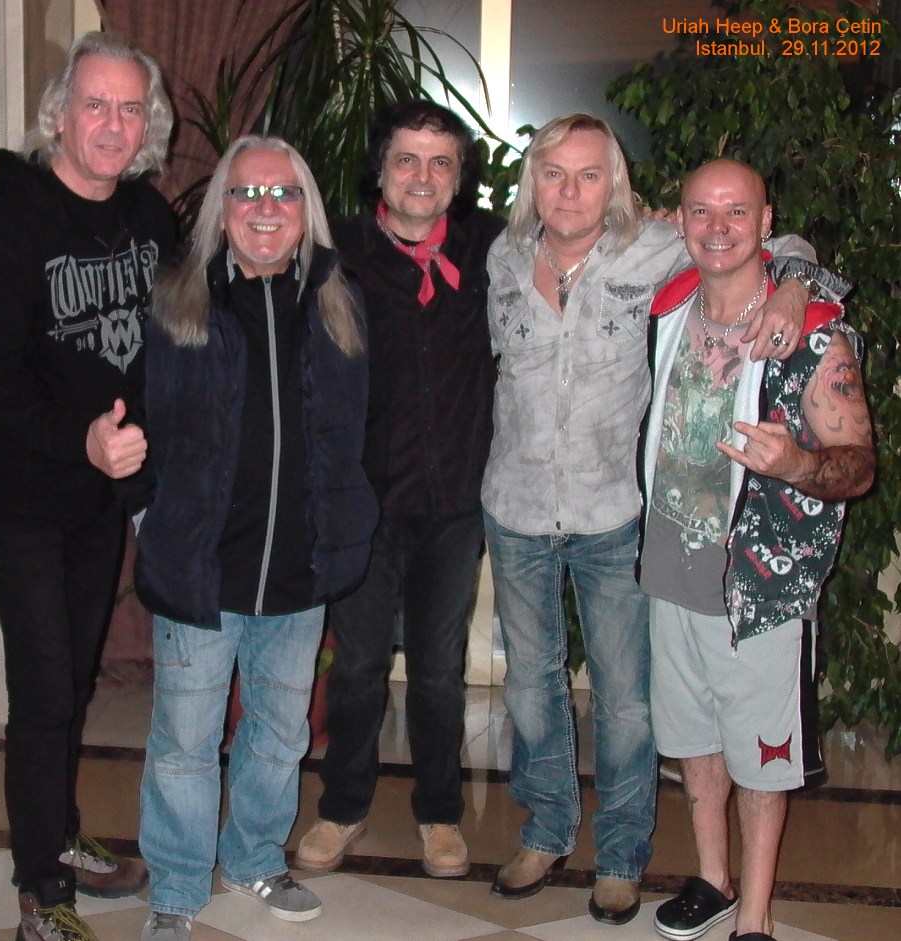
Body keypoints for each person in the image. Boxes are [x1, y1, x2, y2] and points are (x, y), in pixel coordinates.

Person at [483, 114, 842, 925]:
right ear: (532, 180)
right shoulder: (502, 255)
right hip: (514, 506)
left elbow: (761, 244)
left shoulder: (657, 246)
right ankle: (545, 830)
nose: (568, 191)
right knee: (531, 689)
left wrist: (793, 287)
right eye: (552, 173)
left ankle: (619, 856)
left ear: (614, 182)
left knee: (626, 700)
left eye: (588, 174)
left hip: (614, 514)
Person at [0, 31, 177, 941]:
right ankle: (39, 884)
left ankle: (58, 830)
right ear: (59, 113)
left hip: (101, 497)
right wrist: (81, 441)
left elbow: (174, 345)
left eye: (131, 108)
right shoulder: (2, 227)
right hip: (25, 497)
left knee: (74, 678)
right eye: (96, 105)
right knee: (45, 685)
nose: (113, 125)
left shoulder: (150, 217)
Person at [134, 135, 378, 941]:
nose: (264, 208)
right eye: (246, 193)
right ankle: (176, 886)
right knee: (185, 741)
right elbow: (138, 419)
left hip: (299, 569)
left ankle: (252, 857)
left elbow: (360, 430)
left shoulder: (337, 299)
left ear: (306, 209)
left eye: (283, 193)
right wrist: (149, 519)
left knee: (278, 733)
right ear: (222, 209)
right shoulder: (177, 297)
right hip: (200, 568)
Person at [642, 159, 874, 941]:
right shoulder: (668, 304)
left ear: (766, 221)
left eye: (735, 212)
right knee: (694, 740)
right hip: (669, 567)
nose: (717, 228)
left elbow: (858, 467)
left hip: (758, 587)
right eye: (700, 211)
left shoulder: (811, 333)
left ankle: (756, 912)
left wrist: (797, 464)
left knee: (761, 756)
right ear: (679, 220)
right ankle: (712, 878)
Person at [295, 99, 506, 880]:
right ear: (380, 171)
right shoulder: (335, 252)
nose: (422, 175)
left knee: (439, 669)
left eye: (440, 161)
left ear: (458, 178)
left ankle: (439, 813)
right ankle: (342, 805)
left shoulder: (492, 246)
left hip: (453, 499)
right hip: (362, 502)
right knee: (356, 665)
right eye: (406, 159)